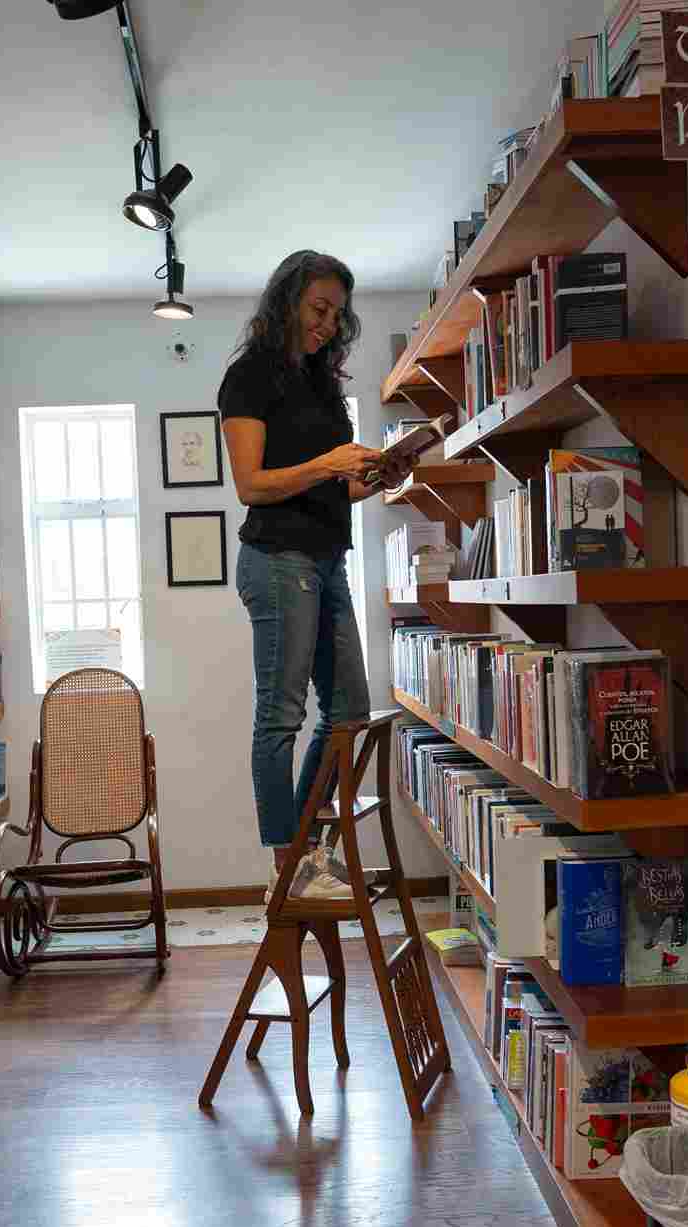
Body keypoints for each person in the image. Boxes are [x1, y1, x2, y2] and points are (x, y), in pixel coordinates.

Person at [219, 250, 408, 900]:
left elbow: (330, 489)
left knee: (349, 710)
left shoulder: (324, 383)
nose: (329, 324)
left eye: (337, 314)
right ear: (287, 303)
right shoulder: (249, 378)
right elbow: (251, 485)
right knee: (280, 716)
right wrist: (328, 465)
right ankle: (289, 870)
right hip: (276, 561)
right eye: (319, 309)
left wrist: (376, 479)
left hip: (327, 558)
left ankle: (308, 852)